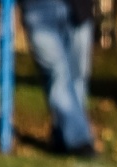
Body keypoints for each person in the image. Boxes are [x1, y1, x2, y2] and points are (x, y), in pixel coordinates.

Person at [19, 0, 95, 155]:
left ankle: (62, 137)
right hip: (38, 11)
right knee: (57, 75)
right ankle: (79, 140)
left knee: (78, 77)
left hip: (79, 9)